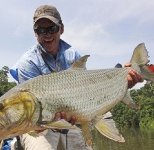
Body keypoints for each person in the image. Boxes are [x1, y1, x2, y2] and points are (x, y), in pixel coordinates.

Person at [8, 5, 143, 150]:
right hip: (39, 129)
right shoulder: (27, 62)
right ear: (35, 33)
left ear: (61, 29)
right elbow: (32, 118)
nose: (47, 34)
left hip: (71, 124)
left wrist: (121, 81)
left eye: (52, 29)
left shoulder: (73, 55)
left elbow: (87, 92)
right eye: (41, 30)